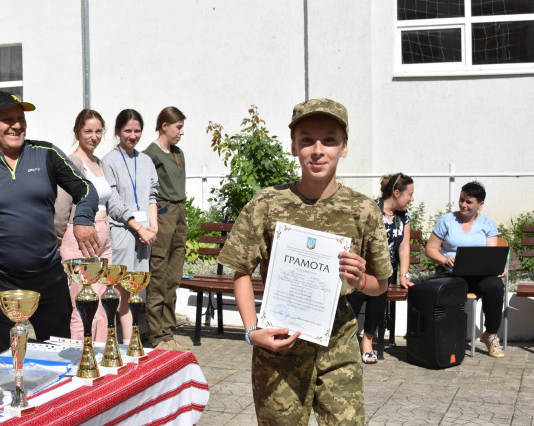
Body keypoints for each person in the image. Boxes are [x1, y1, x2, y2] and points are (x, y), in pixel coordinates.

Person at [217, 98, 392, 425]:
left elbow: (380, 285)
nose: (318, 150)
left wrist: (360, 280)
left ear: (344, 147)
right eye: (307, 140)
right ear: (294, 146)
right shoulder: (267, 204)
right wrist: (252, 331)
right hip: (279, 347)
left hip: (339, 347)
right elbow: (241, 270)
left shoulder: (363, 210)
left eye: (329, 140)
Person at [0, 91, 100, 355]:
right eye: (7, 119)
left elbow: (86, 189)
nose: (17, 125)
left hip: (49, 279)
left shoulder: (46, 154)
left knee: (61, 358)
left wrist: (83, 219)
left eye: (21, 118)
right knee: (4, 365)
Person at [426, 181, 505, 358]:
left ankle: (491, 336)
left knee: (495, 286)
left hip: (479, 274)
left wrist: (500, 266)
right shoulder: (446, 220)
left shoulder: (487, 223)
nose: (463, 204)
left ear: (480, 204)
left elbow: (492, 253)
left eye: (469, 202)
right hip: (451, 272)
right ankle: (444, 337)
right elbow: (430, 249)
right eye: (461, 200)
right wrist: (444, 259)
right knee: (447, 289)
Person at [54, 109, 112, 342]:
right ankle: (80, 353)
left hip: (103, 234)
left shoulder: (99, 163)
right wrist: (60, 238)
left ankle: (101, 350)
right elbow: (62, 206)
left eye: (98, 131)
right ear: (77, 131)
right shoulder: (72, 162)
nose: (94, 137)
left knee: (103, 301)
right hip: (79, 237)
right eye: (88, 131)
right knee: (83, 304)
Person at [102, 109, 158, 345]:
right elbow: (114, 202)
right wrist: (138, 227)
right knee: (119, 290)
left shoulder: (146, 161)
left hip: (144, 235)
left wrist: (153, 226)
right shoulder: (109, 161)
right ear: (118, 131)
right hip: (123, 232)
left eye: (137, 131)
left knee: (136, 290)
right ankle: (118, 343)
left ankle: (131, 342)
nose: (133, 136)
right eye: (128, 131)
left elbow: (152, 195)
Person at [347, 172, 415, 364]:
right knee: (356, 295)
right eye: (409, 194)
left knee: (379, 292)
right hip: (361, 268)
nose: (412, 199)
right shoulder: (371, 210)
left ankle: (367, 341)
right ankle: (348, 339)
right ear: (396, 193)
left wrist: (403, 275)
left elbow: (404, 247)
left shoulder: (403, 217)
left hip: (384, 271)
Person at [143, 107, 189, 351]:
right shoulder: (149, 155)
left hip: (180, 212)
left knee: (173, 276)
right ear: (164, 126)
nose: (181, 132)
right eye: (178, 127)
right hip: (161, 212)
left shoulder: (178, 153)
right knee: (159, 275)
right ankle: (157, 336)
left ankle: (168, 332)